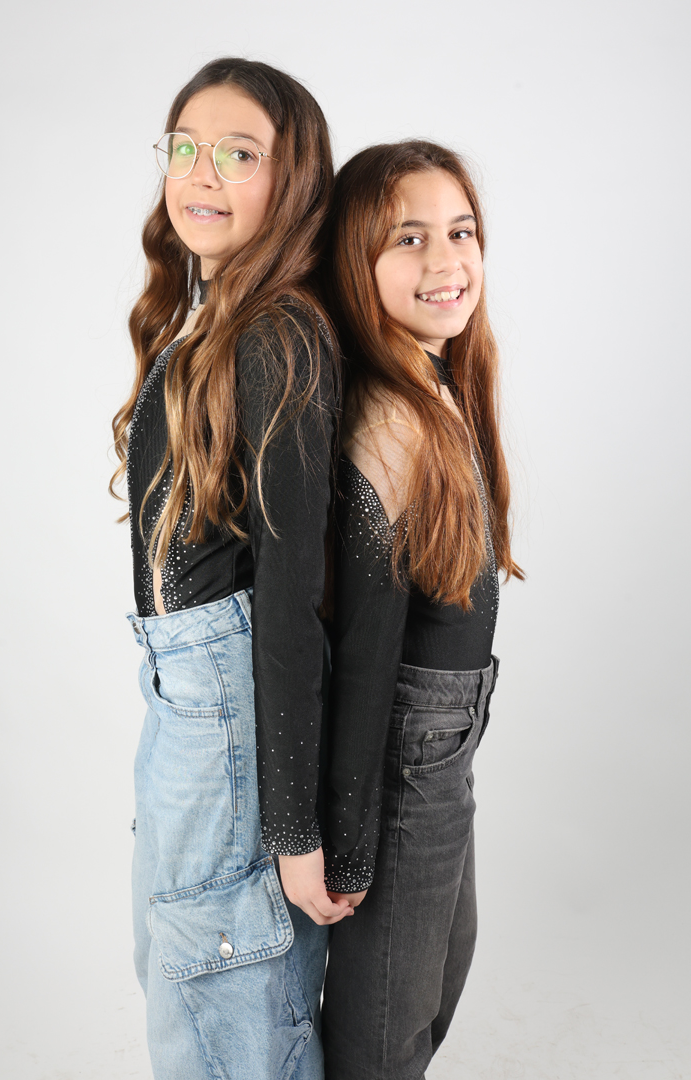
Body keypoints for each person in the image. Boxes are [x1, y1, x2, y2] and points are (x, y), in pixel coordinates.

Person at [110, 57, 351, 1080]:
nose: (200, 172)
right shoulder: (213, 320)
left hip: (227, 722)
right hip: (186, 704)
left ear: (292, 182)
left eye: (239, 153)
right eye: (185, 146)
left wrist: (295, 830)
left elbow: (293, 600)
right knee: (187, 998)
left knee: (226, 1014)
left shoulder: (278, 331)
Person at [320, 140, 524, 1079]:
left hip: (445, 742)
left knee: (438, 979)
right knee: (384, 1031)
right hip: (405, 751)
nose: (446, 260)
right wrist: (349, 844)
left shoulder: (435, 380)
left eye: (461, 231)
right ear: (354, 259)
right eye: (408, 238)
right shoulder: (390, 415)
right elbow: (364, 652)